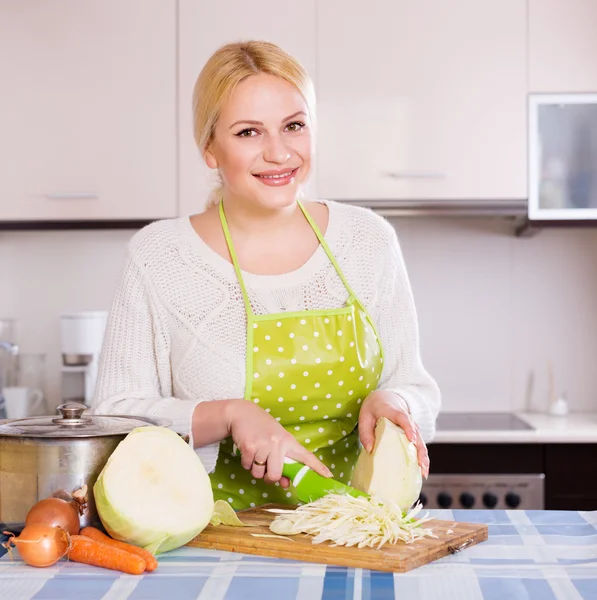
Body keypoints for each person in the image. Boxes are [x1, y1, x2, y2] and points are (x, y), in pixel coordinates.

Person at [92, 40, 441, 510]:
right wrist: (228, 415)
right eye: (248, 132)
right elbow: (113, 416)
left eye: (293, 126)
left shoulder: (367, 241)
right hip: (215, 539)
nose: (279, 153)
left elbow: (417, 386)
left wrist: (394, 402)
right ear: (210, 149)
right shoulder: (160, 257)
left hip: (359, 531)